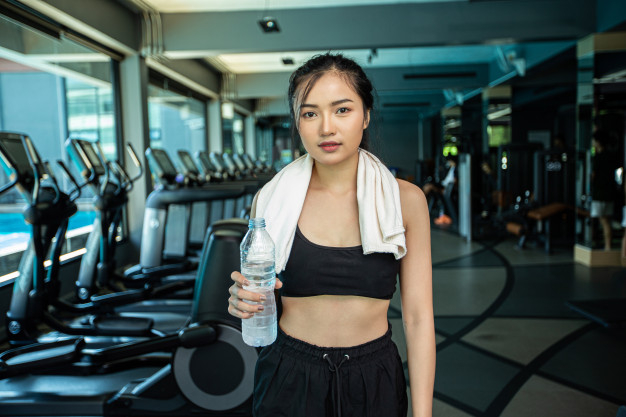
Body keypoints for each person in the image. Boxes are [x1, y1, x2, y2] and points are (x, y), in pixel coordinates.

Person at [228, 53, 435, 417]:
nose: (327, 127)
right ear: (298, 121)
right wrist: (243, 302)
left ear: (366, 115)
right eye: (310, 113)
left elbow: (418, 318)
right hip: (289, 376)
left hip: (374, 378)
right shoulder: (271, 200)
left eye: (342, 110)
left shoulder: (406, 201)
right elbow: (259, 296)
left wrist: (423, 414)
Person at [590, 130, 618, 251]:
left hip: (600, 193)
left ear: (598, 142)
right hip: (609, 192)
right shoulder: (611, 157)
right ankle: (607, 245)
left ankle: (607, 246)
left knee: (603, 220)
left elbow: (593, 176)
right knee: (607, 220)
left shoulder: (598, 158)